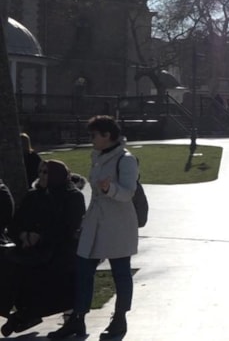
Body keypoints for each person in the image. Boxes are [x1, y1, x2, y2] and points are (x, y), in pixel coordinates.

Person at [48, 115, 139, 340]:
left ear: (107, 135)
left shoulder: (126, 159)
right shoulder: (98, 156)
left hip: (118, 226)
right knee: (83, 271)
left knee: (121, 273)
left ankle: (119, 319)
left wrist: (110, 189)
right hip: (95, 224)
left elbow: (128, 193)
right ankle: (77, 319)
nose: (91, 139)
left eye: (94, 135)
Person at [0, 160, 85, 337]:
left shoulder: (72, 196)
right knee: (9, 264)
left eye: (46, 172)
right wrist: (23, 235)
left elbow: (68, 227)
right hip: (30, 246)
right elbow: (16, 222)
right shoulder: (33, 195)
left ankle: (28, 315)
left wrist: (41, 237)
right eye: (40, 172)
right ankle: (22, 312)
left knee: (49, 271)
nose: (42, 176)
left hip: (58, 248)